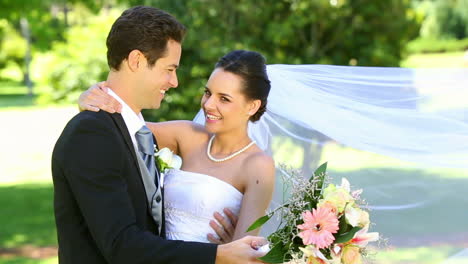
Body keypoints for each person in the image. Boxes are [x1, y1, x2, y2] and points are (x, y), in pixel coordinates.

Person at [52, 6, 267, 264]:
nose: (174, 81)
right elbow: (121, 245)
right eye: (169, 69)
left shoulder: (135, 132)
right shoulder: (92, 133)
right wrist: (218, 254)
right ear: (136, 61)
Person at [79, 49, 276, 244]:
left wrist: (227, 248)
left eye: (224, 99)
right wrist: (90, 99)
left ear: (252, 106)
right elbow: (119, 125)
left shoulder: (258, 166)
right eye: (208, 93)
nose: (208, 105)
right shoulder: (187, 135)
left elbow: (244, 252)